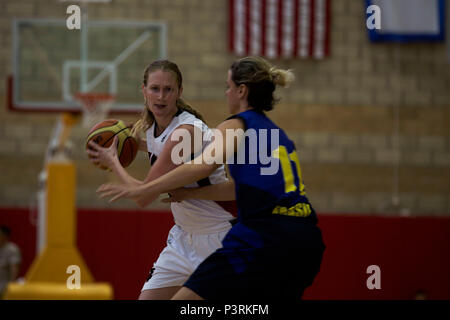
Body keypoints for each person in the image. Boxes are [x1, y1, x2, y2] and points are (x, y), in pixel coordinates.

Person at [97, 56, 326, 300]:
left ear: (241, 90)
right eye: (155, 89)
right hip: (304, 238)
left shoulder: (234, 125)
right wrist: (186, 191)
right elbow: (238, 187)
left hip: (252, 235)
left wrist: (132, 179)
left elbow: (201, 166)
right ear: (144, 91)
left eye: (228, 87)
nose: (226, 93)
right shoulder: (273, 132)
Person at [87, 60, 236, 300]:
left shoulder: (185, 131)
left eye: (168, 89)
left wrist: (113, 160)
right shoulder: (151, 128)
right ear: (143, 90)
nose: (161, 96)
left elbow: (144, 196)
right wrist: (133, 144)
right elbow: (161, 147)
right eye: (155, 88)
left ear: (179, 92)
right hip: (182, 237)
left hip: (217, 236)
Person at [0, 226, 22, 299]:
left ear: (5, 236)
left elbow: (14, 269)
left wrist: (11, 286)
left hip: (4, 287)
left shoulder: (12, 249)